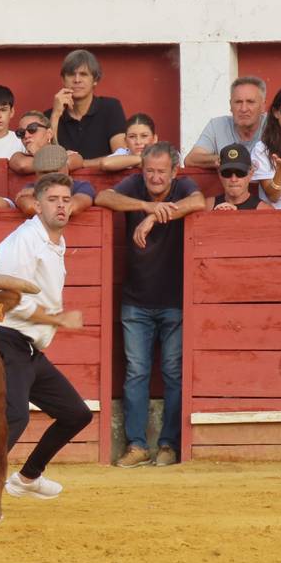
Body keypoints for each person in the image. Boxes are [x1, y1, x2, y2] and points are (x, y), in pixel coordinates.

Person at [0, 173, 93, 522]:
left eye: (65, 199)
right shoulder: (23, 241)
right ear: (37, 204)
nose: (61, 205)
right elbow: (8, 300)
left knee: (76, 414)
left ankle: (28, 477)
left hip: (28, 347)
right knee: (14, 415)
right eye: (53, 199)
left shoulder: (55, 242)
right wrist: (56, 320)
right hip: (5, 339)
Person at [94, 142, 205, 467]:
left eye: (161, 172)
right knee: (137, 373)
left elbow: (198, 201)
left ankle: (169, 445)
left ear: (174, 172)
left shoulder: (184, 187)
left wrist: (153, 218)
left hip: (174, 300)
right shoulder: (137, 187)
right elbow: (104, 197)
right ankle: (138, 445)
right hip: (136, 300)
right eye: (150, 171)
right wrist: (146, 207)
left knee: (172, 373)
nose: (155, 178)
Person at [47, 49, 127, 162]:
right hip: (61, 180)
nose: (77, 80)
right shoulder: (49, 116)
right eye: (71, 74)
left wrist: (79, 164)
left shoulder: (110, 108)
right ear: (63, 80)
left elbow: (120, 156)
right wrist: (55, 116)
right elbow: (47, 162)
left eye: (83, 74)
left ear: (95, 79)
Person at [184, 76, 267, 168]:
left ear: (263, 106)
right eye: (238, 102)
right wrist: (226, 159)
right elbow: (191, 159)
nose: (243, 109)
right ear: (230, 105)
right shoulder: (217, 126)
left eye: (250, 102)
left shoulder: (273, 125)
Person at [13, 144, 95, 218]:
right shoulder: (30, 187)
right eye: (45, 172)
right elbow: (29, 207)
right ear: (37, 173)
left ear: (66, 168)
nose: (51, 176)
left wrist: (40, 191)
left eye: (55, 171)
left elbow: (73, 207)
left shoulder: (82, 186)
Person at [8, 110, 84, 174]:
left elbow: (77, 160)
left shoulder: (68, 154)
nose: (26, 135)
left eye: (32, 128)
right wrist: (56, 160)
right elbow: (22, 165)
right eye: (21, 132)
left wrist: (38, 154)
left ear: (49, 134)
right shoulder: (19, 156)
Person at [207, 144, 273, 210]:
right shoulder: (208, 206)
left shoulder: (264, 210)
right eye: (227, 173)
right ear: (220, 174)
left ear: (250, 174)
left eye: (240, 173)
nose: (233, 179)